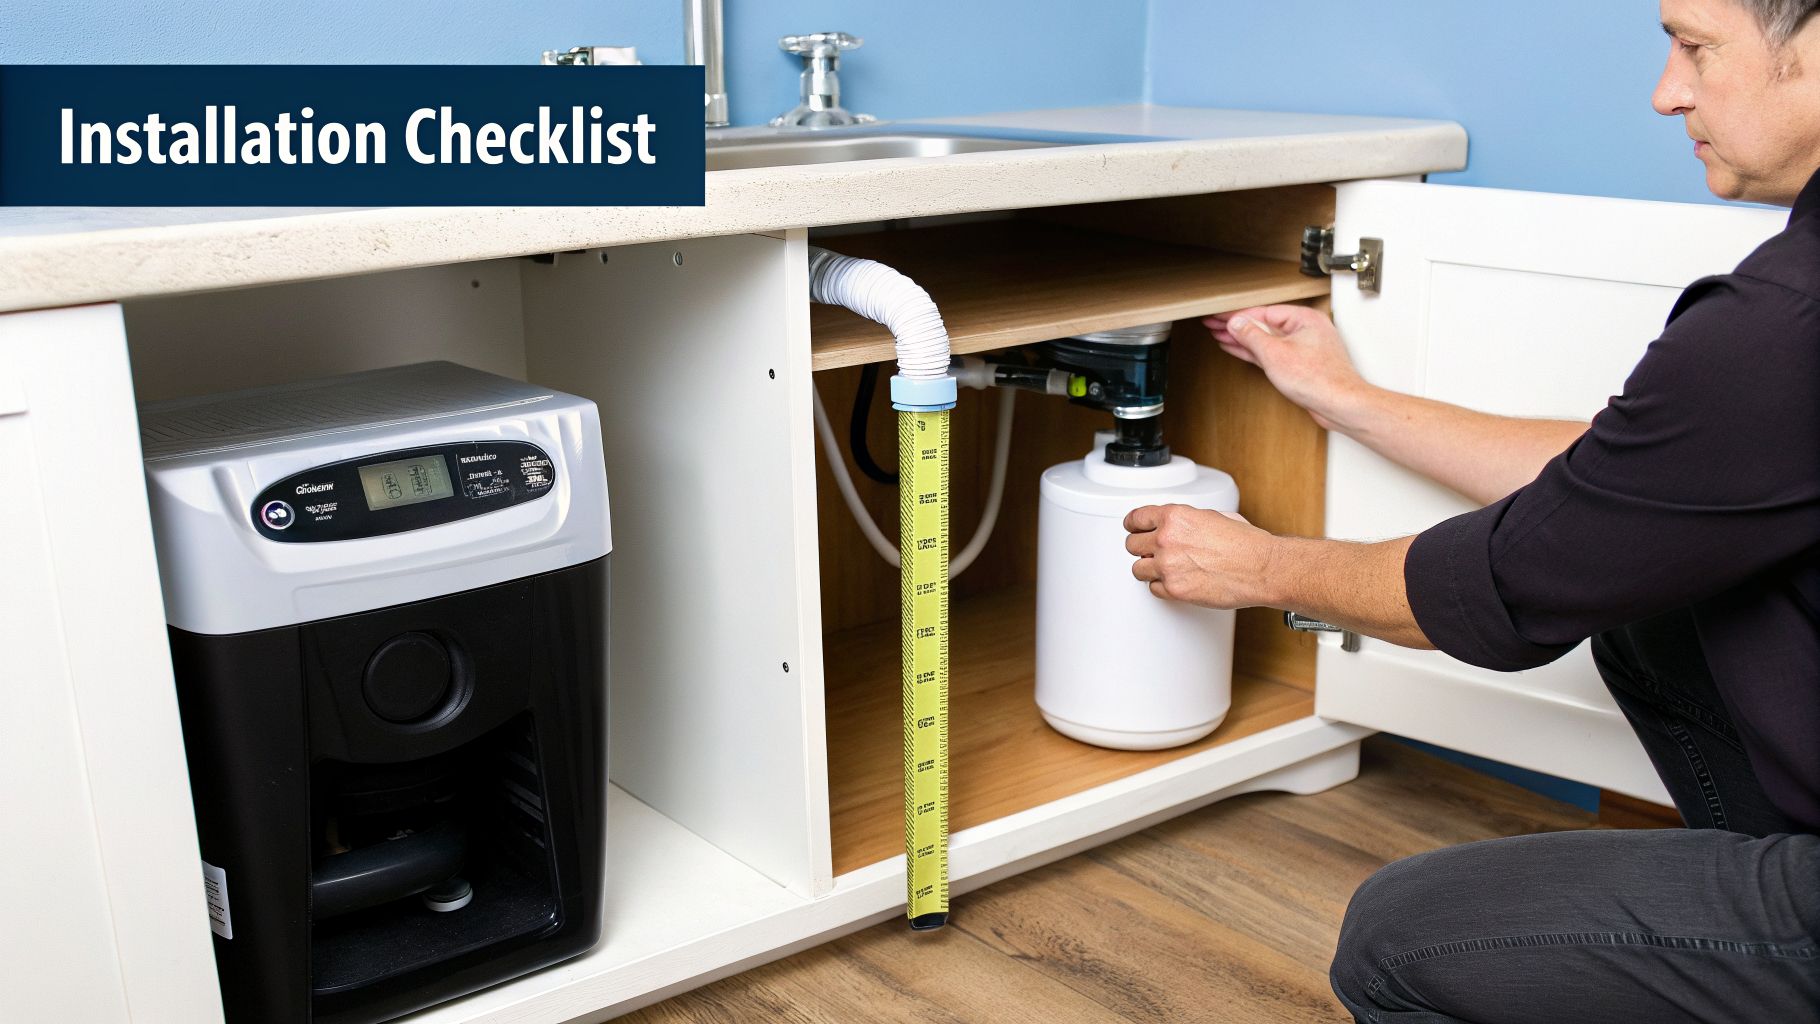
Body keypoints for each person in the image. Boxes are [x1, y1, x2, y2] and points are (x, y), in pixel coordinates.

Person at [1123, 1, 1820, 1019]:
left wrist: (1261, 570)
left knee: (1400, 936)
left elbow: (1509, 584)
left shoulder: (1784, 321)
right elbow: (1629, 489)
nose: (1665, 91)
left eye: (1695, 47)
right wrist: (1346, 399)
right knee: (1658, 618)